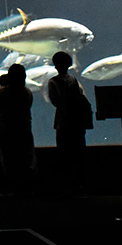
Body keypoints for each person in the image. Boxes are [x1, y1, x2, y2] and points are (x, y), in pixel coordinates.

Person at [47, 51, 91, 197]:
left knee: (65, 155)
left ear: (55, 65)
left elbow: (54, 101)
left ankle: (68, 186)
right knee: (79, 154)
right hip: (78, 122)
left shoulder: (53, 81)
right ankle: (82, 185)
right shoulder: (74, 80)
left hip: (63, 123)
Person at [0, 63, 37, 196]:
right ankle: (26, 187)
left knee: (8, 157)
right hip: (24, 129)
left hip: (7, 130)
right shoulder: (27, 91)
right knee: (25, 157)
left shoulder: (4, 92)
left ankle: (10, 188)